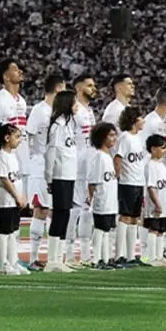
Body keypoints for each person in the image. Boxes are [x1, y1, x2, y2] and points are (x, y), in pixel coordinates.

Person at [0, 59, 28, 270]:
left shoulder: (21, 100)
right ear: (4, 76)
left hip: (20, 159)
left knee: (14, 214)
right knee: (1, 212)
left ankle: (12, 257)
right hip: (5, 160)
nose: (19, 71)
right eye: (14, 69)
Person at [25, 74, 65, 268]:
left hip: (55, 165)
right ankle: (32, 258)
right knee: (41, 209)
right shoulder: (39, 112)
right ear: (58, 89)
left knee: (51, 209)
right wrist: (29, 162)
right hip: (40, 165)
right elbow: (28, 138)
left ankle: (52, 256)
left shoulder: (58, 113)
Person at [43, 88, 78, 273]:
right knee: (59, 214)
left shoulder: (68, 125)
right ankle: (52, 260)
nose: (77, 105)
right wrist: (49, 176)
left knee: (65, 214)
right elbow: (52, 152)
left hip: (69, 174)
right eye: (74, 102)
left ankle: (59, 258)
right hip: (60, 175)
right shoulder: (57, 126)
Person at [67, 74, 98, 266]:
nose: (94, 88)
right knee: (74, 209)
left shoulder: (89, 111)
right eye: (89, 85)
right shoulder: (74, 111)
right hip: (76, 167)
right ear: (79, 89)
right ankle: (69, 254)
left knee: (87, 209)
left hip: (89, 166)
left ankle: (85, 255)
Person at [0, 122, 28, 276]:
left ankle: (13, 261)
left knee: (13, 230)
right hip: (5, 200)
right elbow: (4, 179)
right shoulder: (2, 156)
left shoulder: (12, 156)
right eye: (17, 137)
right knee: (5, 231)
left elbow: (16, 178)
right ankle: (3, 263)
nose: (20, 140)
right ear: (7, 138)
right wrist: (16, 196)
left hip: (14, 200)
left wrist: (22, 196)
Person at [113, 106, 147, 266]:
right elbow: (118, 158)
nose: (143, 121)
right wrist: (118, 177)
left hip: (138, 182)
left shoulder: (138, 138)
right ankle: (118, 255)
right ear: (134, 120)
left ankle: (130, 255)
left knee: (134, 219)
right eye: (141, 117)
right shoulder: (125, 138)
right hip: (127, 182)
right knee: (125, 217)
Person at [87, 123, 119, 270]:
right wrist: (91, 197)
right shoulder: (98, 157)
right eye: (111, 135)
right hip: (102, 199)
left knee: (108, 230)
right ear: (102, 138)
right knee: (100, 229)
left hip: (111, 200)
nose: (114, 138)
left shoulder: (107, 156)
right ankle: (97, 259)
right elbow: (93, 180)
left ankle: (106, 259)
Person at [142, 134, 166, 266]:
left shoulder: (162, 166)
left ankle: (160, 256)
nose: (165, 150)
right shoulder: (151, 166)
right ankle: (151, 257)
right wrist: (157, 203)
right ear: (153, 149)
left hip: (165, 204)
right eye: (162, 148)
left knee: (161, 231)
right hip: (156, 205)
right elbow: (151, 187)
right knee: (153, 230)